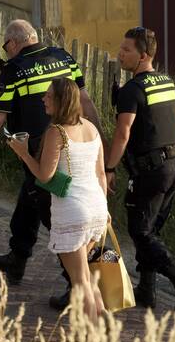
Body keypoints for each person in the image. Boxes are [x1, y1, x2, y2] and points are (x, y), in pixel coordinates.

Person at [0, 19, 102, 310]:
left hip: (43, 147)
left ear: (12, 43)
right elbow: (85, 100)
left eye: (5, 47)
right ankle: (17, 257)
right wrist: (96, 140)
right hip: (77, 141)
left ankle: (75, 282)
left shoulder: (15, 68)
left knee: (53, 214)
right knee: (30, 197)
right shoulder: (63, 57)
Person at [105, 27, 175, 313]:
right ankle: (147, 292)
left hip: (152, 171)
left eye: (126, 50)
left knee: (140, 231)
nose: (120, 54)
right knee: (150, 228)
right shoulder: (168, 82)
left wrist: (110, 168)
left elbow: (123, 133)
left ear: (143, 55)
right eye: (120, 48)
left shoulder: (133, 89)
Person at [8, 78, 109, 322]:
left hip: (73, 210)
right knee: (87, 272)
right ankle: (103, 318)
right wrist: (105, 209)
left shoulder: (57, 132)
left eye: (49, 96)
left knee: (79, 280)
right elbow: (102, 174)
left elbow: (45, 175)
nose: (44, 99)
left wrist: (23, 153)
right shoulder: (91, 128)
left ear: (61, 101)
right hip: (96, 206)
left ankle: (93, 336)